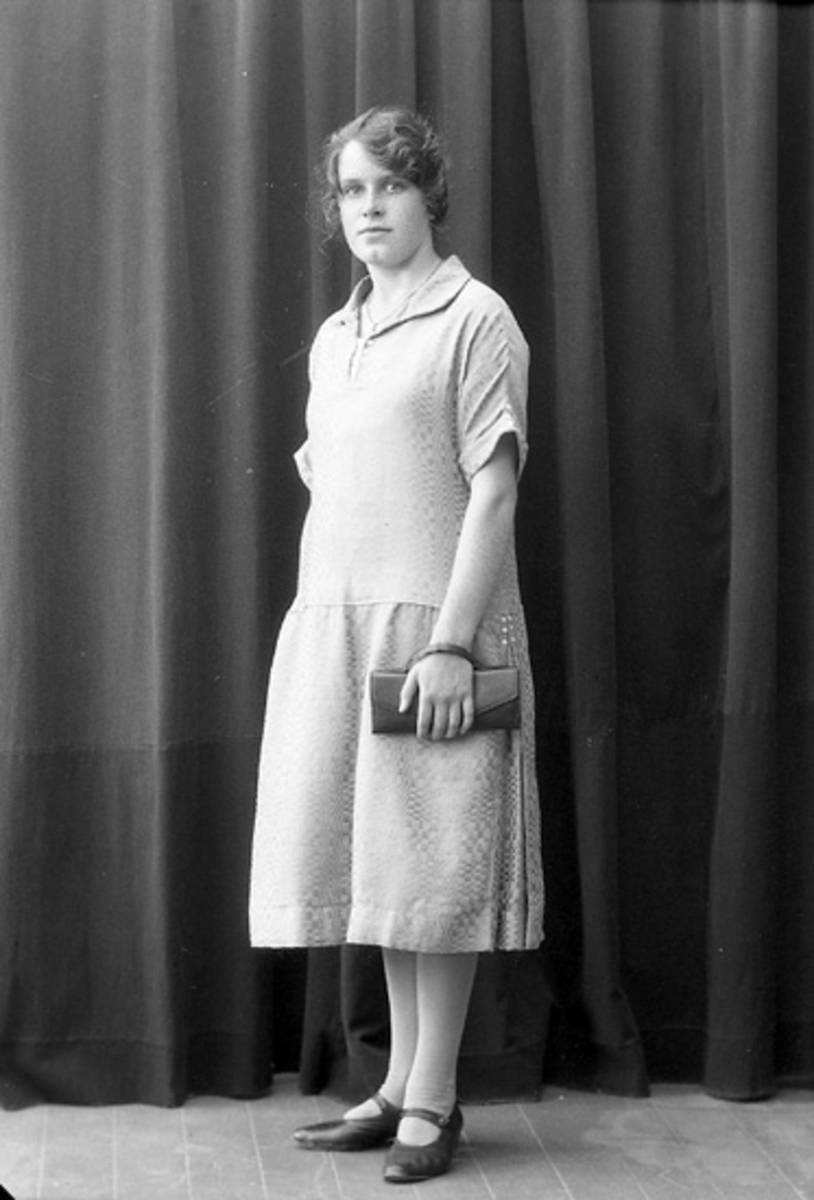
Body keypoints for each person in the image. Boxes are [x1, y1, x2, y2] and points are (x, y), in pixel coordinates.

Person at [249, 105, 543, 1185]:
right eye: (351, 191)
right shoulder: (339, 337)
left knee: (434, 872)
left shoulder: (477, 318)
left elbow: (494, 491)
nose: (369, 208)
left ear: (429, 197)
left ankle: (434, 1099)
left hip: (435, 635)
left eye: (390, 187)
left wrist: (452, 646)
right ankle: (396, 1086)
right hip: (343, 626)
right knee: (385, 872)